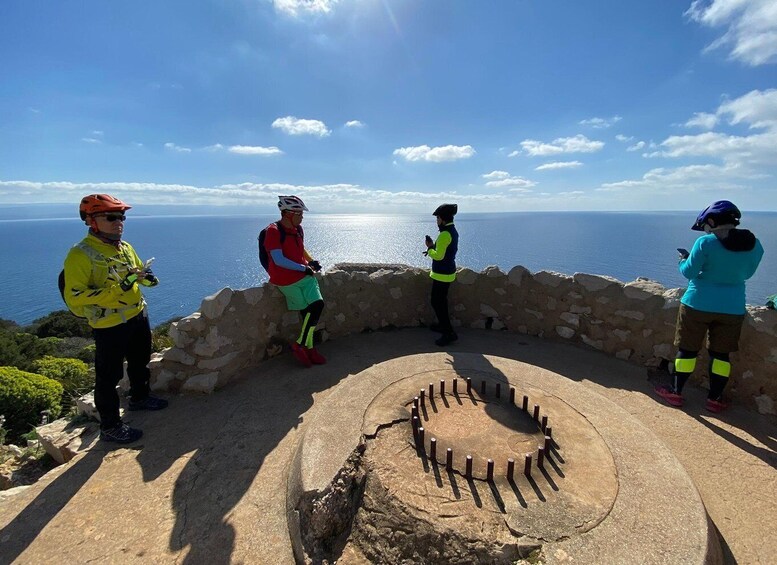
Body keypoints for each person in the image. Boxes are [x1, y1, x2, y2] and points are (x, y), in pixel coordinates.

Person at [63, 194, 167, 444]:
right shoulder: (80, 254)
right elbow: (75, 296)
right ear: (91, 221)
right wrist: (117, 290)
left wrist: (147, 278)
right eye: (111, 217)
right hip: (109, 324)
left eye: (121, 217)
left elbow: (135, 274)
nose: (119, 221)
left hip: (136, 315)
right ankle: (110, 426)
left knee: (140, 361)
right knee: (108, 377)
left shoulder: (125, 246)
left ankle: (140, 397)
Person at [656, 200, 764, 413]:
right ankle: (715, 399)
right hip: (732, 308)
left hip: (697, 304)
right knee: (721, 356)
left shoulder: (706, 243)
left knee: (687, 351)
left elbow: (689, 272)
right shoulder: (755, 245)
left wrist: (682, 260)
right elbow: (746, 274)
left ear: (712, 221)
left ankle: (675, 392)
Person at [262, 195, 326, 367]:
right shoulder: (273, 231)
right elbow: (278, 259)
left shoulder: (298, 229)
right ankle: (309, 348)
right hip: (286, 281)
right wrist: (303, 268)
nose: (302, 216)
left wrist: (311, 261)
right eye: (299, 213)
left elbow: (301, 249)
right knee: (307, 314)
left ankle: (300, 345)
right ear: (288, 213)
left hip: (305, 276)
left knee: (317, 306)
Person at [424, 203, 459, 346]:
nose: (436, 220)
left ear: (442, 219)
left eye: (437, 217)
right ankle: (443, 327)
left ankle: (449, 333)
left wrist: (430, 248)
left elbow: (439, 256)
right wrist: (433, 246)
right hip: (447, 273)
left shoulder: (445, 234)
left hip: (442, 275)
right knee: (441, 302)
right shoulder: (452, 231)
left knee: (437, 303)